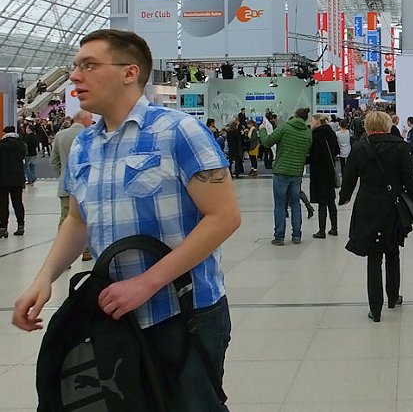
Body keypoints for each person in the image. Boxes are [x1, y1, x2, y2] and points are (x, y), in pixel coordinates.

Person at [12, 29, 241, 409]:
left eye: (89, 65)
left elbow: (224, 218)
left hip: (183, 312)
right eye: (75, 66)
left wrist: (147, 283)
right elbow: (78, 220)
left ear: (129, 72)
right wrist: (43, 278)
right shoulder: (85, 143)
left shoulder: (178, 131)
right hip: (116, 313)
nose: (74, 76)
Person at [338, 111, 413, 322]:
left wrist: (344, 197)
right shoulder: (400, 146)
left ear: (367, 126)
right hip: (393, 207)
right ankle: (393, 297)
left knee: (373, 257)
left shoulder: (359, 148)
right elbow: (410, 179)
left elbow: (349, 178)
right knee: (392, 251)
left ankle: (375, 309)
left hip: (367, 206)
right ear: (387, 125)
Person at [259, 107, 313, 245]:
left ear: (294, 116)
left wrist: (262, 130)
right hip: (297, 173)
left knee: (280, 205)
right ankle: (296, 236)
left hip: (281, 172)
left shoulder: (285, 128)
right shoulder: (308, 133)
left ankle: (279, 237)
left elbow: (267, 142)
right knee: (295, 204)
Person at [50, 110, 94, 261]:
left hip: (65, 186)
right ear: (85, 119)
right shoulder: (91, 135)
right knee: (87, 218)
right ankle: (87, 251)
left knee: (65, 219)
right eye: (91, 118)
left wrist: (64, 175)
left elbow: (53, 161)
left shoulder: (60, 135)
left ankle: (62, 256)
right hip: (87, 186)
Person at [308, 114, 340, 239]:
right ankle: (334, 228)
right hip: (330, 170)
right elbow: (337, 150)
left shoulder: (316, 135)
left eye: (312, 120)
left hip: (319, 172)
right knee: (331, 201)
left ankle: (321, 230)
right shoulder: (331, 133)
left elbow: (315, 156)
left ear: (318, 122)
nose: (311, 123)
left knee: (322, 202)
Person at [0, 126, 27, 237]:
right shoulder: (21, 145)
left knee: (3, 204)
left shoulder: (1, 146)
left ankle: (3, 227)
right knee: (18, 202)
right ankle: (21, 225)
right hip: (18, 178)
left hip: (3, 179)